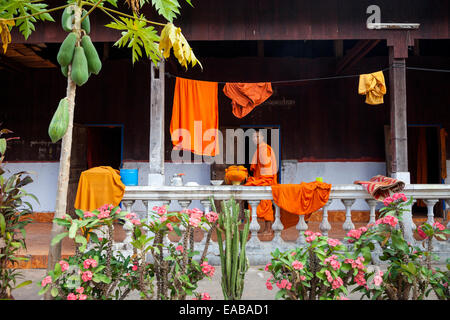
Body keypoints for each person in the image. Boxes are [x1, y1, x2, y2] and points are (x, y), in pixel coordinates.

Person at [244, 130, 278, 235]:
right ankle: (255, 228)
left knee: (266, 205)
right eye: (254, 137)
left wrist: (258, 181)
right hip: (261, 180)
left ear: (262, 138)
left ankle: (268, 230)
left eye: (257, 137)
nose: (255, 139)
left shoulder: (264, 149)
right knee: (255, 204)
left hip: (265, 181)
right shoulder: (260, 149)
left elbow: (267, 171)